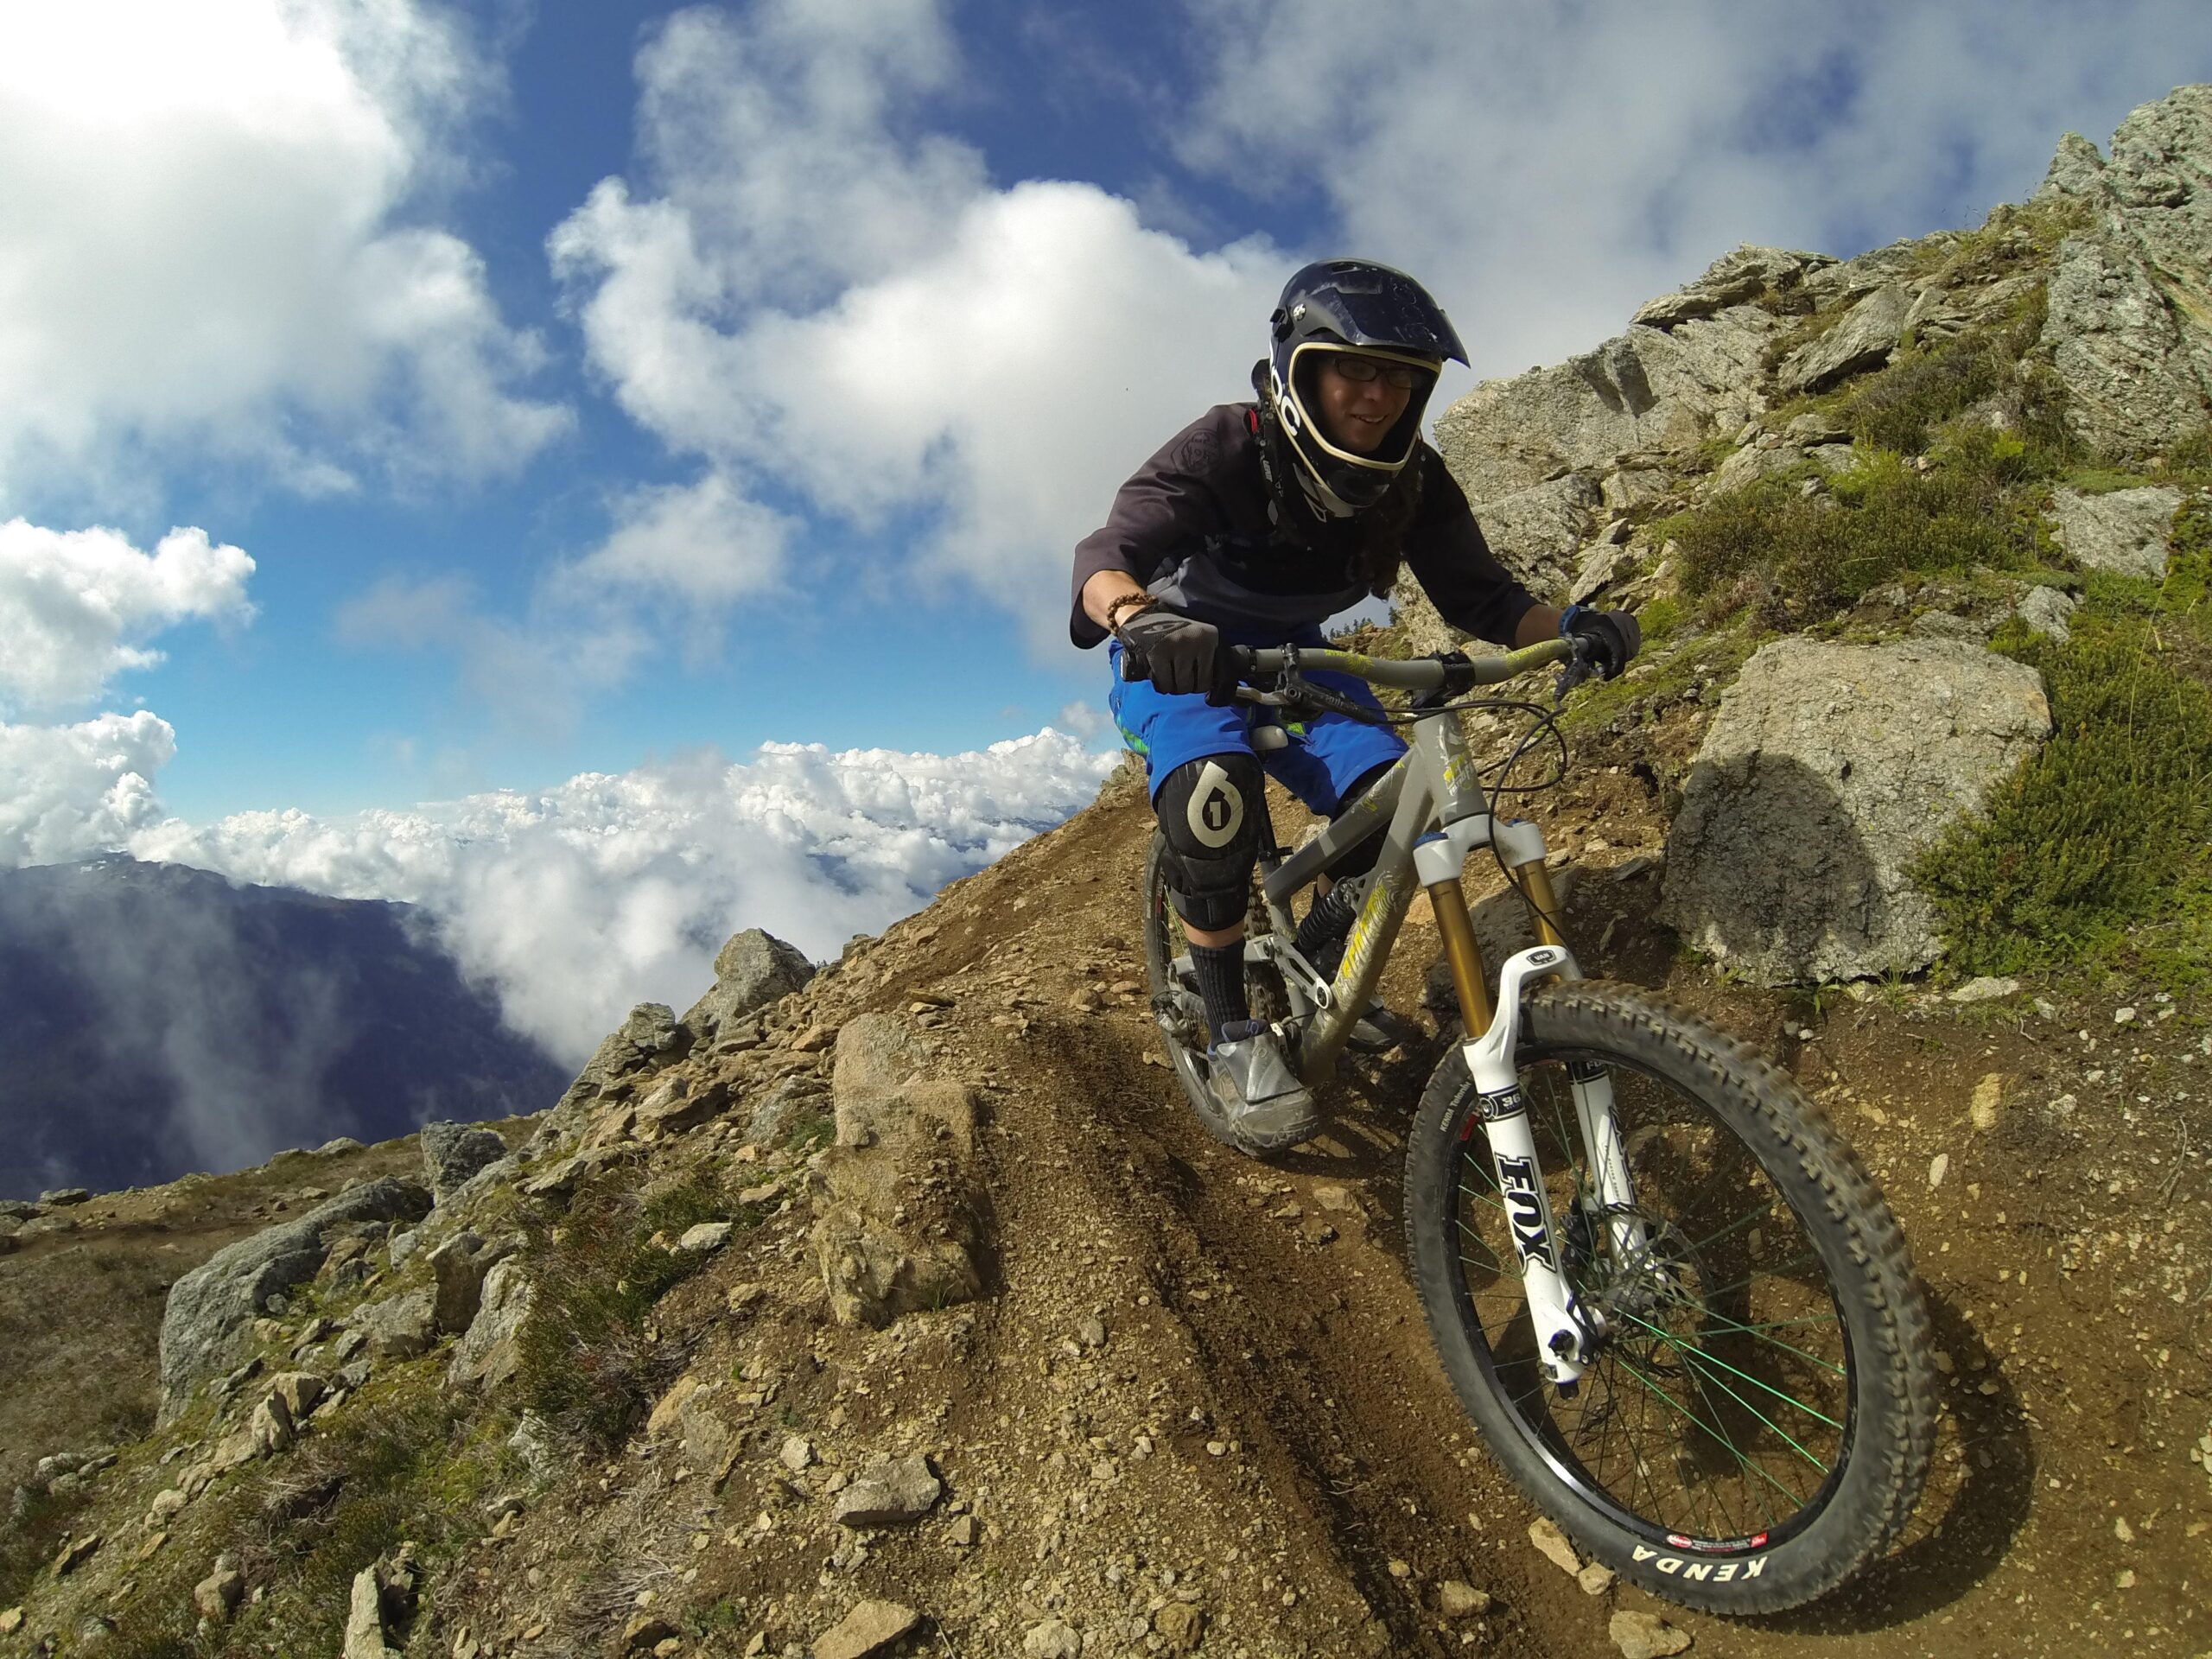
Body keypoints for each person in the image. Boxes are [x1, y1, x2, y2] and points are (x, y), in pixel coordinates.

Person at [1069, 258, 1640, 1155]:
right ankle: (1231, 1037)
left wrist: (1572, 624)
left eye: (1400, 379)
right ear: (1301, 369)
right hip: (1182, 656)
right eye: (1356, 370)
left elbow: (1484, 600)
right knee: (1212, 802)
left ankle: (1321, 977)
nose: (1377, 397)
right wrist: (1138, 617)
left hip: (1302, 659)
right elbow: (1108, 552)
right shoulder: (1224, 445)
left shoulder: (1413, 479)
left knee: (1392, 825)